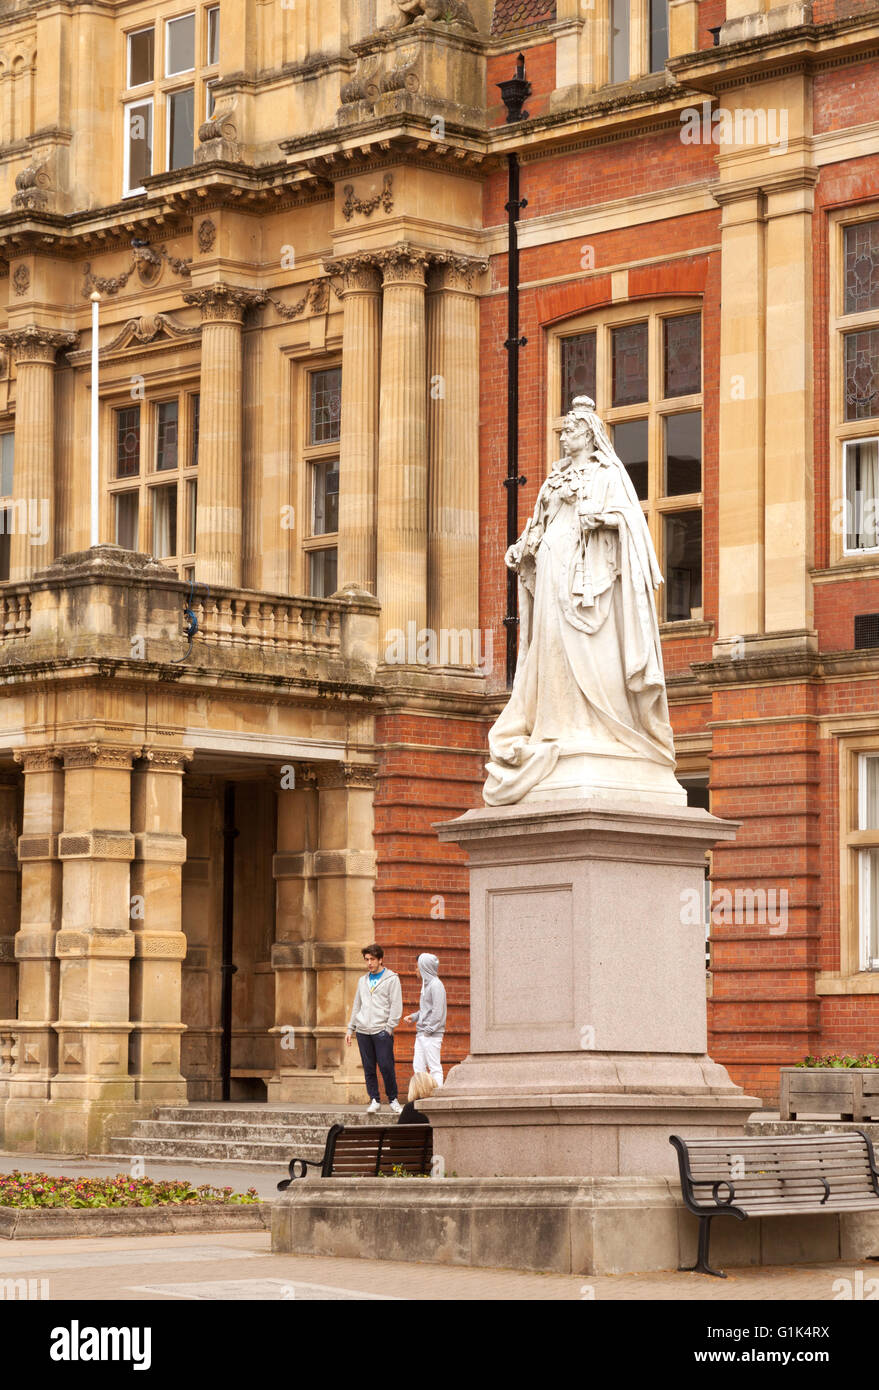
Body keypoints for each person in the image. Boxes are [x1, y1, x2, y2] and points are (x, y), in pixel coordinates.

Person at [483, 395, 681, 807]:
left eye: (571, 429)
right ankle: (561, 726)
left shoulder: (607, 475)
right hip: (553, 570)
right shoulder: (553, 480)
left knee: (591, 652)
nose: (564, 435)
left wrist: (607, 519)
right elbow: (540, 525)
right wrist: (524, 548)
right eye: (563, 429)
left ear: (590, 435)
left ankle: (600, 726)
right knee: (552, 648)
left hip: (591, 579)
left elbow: (632, 525)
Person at [345, 943, 403, 1114]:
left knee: (386, 1066)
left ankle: (393, 1099)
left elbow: (396, 1006)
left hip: (381, 1031)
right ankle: (374, 1100)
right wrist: (351, 1029)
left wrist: (389, 1028)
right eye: (367, 960)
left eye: (372, 959)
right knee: (368, 1067)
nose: (369, 963)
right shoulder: (362, 980)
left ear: (380, 960)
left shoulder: (392, 979)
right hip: (363, 1031)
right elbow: (357, 1005)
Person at [405, 952, 446, 1087]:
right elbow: (426, 1010)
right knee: (418, 1068)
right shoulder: (427, 985)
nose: (416, 970)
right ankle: (421, 1096)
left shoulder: (436, 985)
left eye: (418, 967)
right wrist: (414, 1016)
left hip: (431, 1034)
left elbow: (438, 1011)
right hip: (422, 1033)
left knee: (434, 1068)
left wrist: (429, 1030)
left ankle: (438, 1098)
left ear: (425, 968)